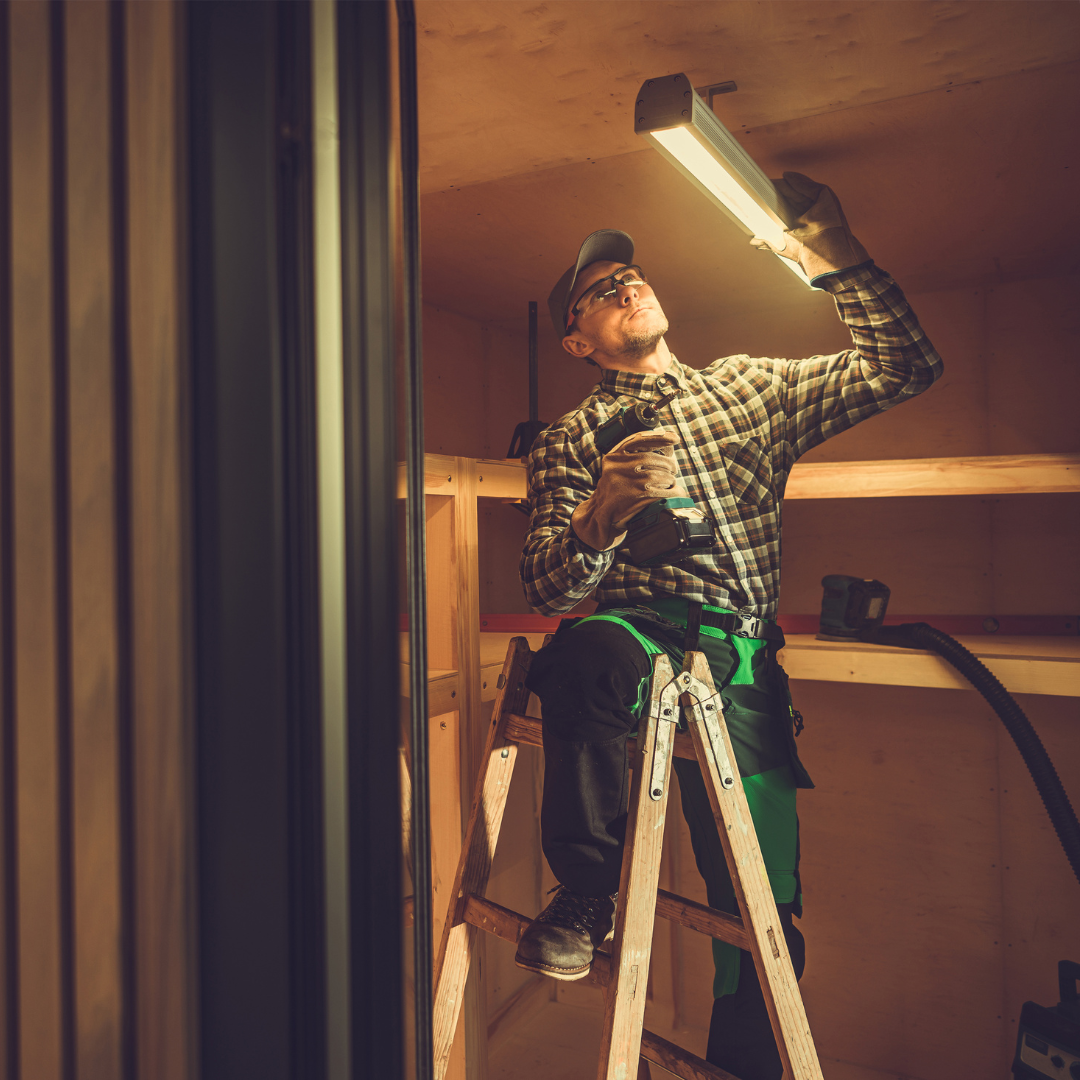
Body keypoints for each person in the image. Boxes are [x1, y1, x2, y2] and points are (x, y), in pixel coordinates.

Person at [513, 173, 944, 1080]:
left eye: (632, 275)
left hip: (742, 655)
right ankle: (587, 894)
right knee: (581, 649)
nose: (625, 287)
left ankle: (746, 1065)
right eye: (600, 291)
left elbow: (904, 366)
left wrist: (840, 259)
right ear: (576, 340)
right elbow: (550, 587)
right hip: (638, 633)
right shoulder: (570, 439)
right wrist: (602, 511)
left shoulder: (747, 390)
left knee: (761, 905)